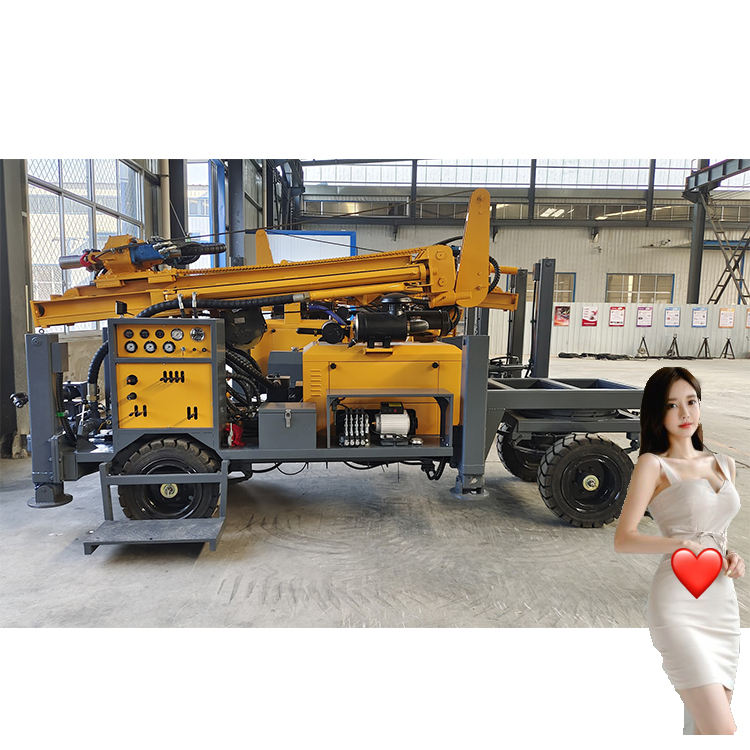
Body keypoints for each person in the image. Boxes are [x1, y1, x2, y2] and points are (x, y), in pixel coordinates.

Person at [614, 366, 744, 735]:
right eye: (672, 405)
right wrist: (678, 543)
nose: (685, 413)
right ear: (658, 413)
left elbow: (716, 531)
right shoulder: (653, 465)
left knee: (703, 729)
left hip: (721, 603)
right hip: (678, 603)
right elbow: (623, 539)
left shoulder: (725, 464)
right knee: (722, 730)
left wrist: (732, 555)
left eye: (691, 401)